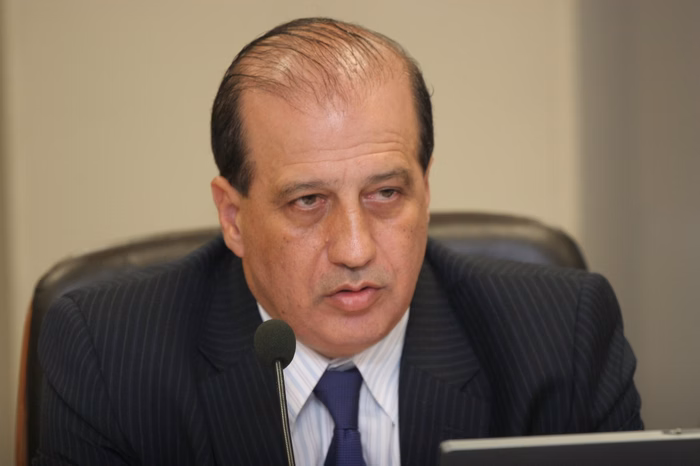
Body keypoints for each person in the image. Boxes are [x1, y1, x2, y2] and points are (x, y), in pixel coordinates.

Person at [35, 17, 642, 466]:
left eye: (386, 193)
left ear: (426, 190)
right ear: (233, 217)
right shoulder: (109, 355)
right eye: (308, 201)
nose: (354, 249)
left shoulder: (560, 337)